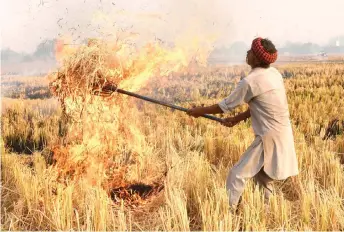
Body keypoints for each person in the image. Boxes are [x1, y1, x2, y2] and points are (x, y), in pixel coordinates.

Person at [187, 37, 299, 209]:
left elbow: (224, 106)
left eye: (251, 51)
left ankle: (227, 212)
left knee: (237, 175)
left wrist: (199, 111)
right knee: (263, 178)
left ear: (256, 58)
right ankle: (265, 213)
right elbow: (262, 104)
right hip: (282, 133)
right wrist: (238, 119)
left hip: (267, 139)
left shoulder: (250, 81)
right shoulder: (274, 74)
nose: (248, 53)